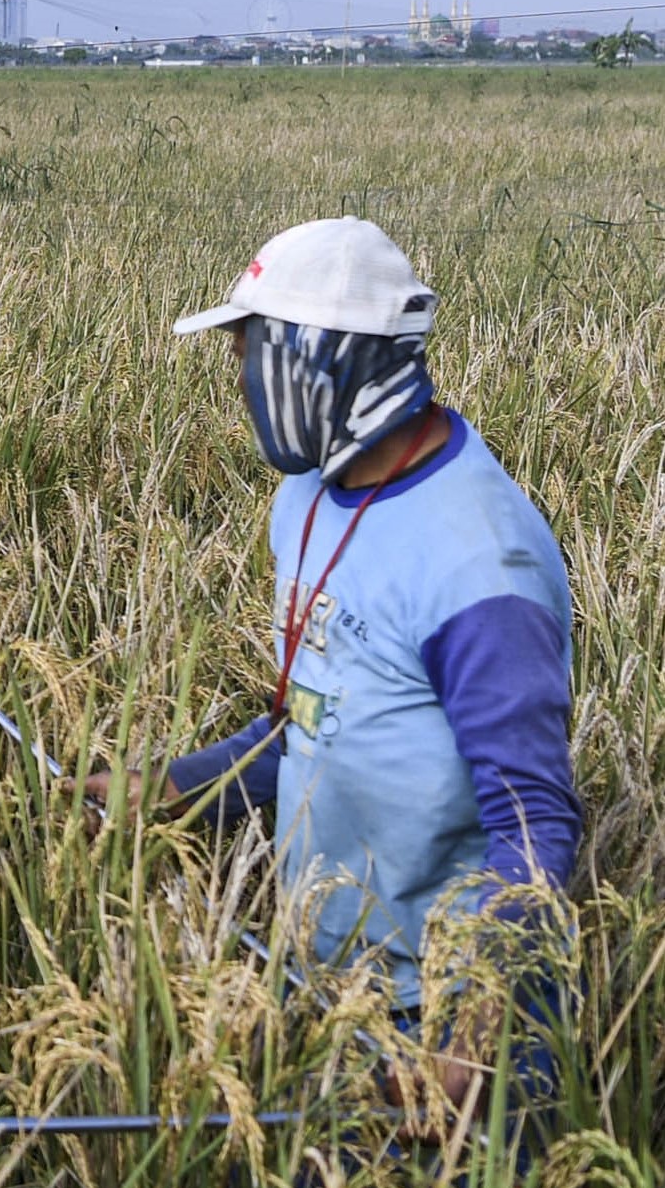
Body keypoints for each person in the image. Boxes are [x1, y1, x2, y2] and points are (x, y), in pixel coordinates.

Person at [108, 219, 579, 1111]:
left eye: (248, 352)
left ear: (313, 360)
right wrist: (171, 788)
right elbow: (313, 720)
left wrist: (472, 1031)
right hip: (330, 993)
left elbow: (535, 824)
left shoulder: (479, 562)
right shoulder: (306, 498)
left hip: (445, 1023)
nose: (239, 380)